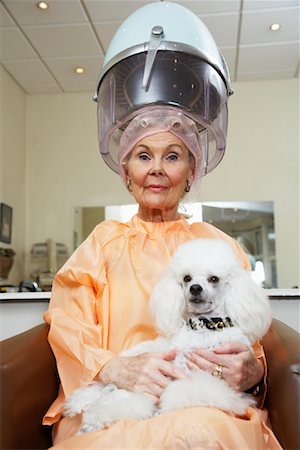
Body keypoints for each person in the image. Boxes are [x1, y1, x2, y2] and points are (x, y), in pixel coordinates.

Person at [43, 3, 282, 449]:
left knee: (207, 434)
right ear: (126, 171)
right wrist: (113, 369)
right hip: (118, 401)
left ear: (191, 171)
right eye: (143, 156)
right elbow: (66, 320)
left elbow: (250, 343)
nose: (156, 169)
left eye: (172, 156)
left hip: (203, 405)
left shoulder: (218, 245)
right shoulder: (101, 243)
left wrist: (253, 370)